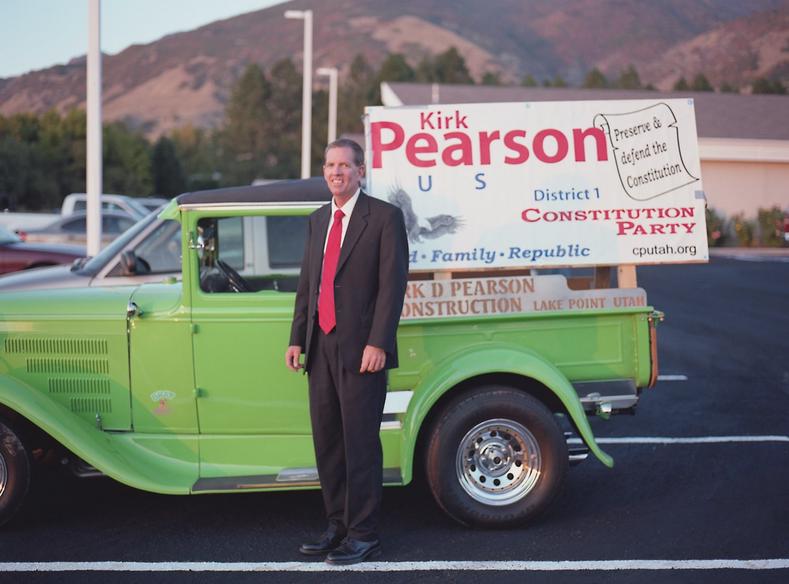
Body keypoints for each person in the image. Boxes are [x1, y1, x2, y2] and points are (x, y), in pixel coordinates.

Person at [285, 138, 409, 565]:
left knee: (360, 444)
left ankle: (364, 534)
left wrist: (379, 342)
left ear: (361, 171)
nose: (336, 172)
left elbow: (393, 287)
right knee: (329, 443)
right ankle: (337, 525)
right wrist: (297, 337)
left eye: (345, 165)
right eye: (330, 165)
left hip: (362, 350)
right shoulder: (318, 220)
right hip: (320, 347)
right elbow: (309, 285)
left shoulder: (384, 218)